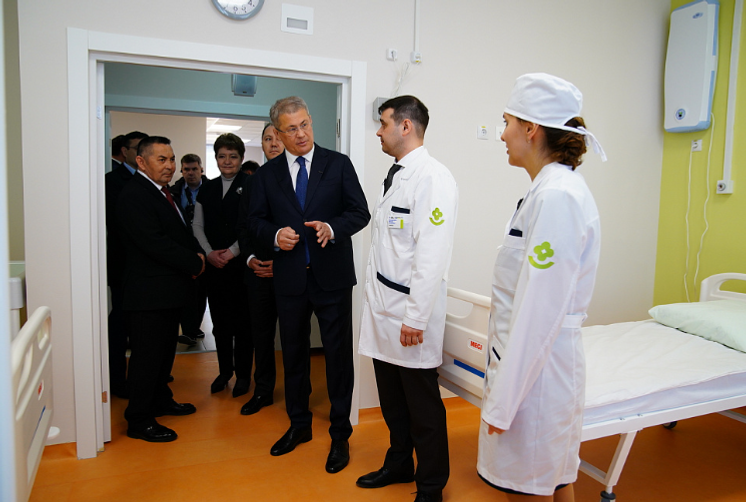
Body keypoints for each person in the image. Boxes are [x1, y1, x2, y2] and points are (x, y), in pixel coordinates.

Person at [478, 73, 605, 501]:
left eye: (507, 122)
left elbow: (539, 310)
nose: (502, 134)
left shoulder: (557, 197)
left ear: (531, 128)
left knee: (530, 484)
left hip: (536, 379)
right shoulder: (548, 191)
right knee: (553, 479)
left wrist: (504, 401)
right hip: (536, 370)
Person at [248, 96, 370, 473]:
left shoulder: (338, 164)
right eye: (291, 129)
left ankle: (340, 434)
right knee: (294, 355)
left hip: (332, 278)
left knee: (337, 357)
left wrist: (332, 228)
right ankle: (299, 425)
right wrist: (274, 235)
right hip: (289, 279)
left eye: (304, 125)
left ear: (311, 122)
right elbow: (253, 222)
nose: (300, 134)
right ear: (277, 134)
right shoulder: (267, 175)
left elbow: (360, 212)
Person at [356, 96, 458, 502]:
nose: (378, 132)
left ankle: (431, 486)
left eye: (383, 124)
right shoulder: (397, 175)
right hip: (385, 312)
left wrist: (415, 317)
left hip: (408, 317)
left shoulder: (433, 178)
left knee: (423, 408)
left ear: (405, 126)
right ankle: (399, 463)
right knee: (393, 402)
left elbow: (431, 256)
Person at [117, 136, 205, 442]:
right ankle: (139, 419)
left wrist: (198, 253)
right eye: (162, 160)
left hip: (167, 292)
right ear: (141, 162)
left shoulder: (163, 192)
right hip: (147, 294)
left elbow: (180, 233)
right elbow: (154, 243)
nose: (169, 166)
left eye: (171, 159)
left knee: (164, 354)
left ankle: (160, 400)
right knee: (146, 358)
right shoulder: (134, 195)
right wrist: (195, 262)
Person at [193, 133, 253, 397]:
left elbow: (252, 225)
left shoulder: (251, 185)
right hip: (214, 268)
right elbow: (197, 225)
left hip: (241, 267)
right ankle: (224, 371)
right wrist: (209, 254)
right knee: (220, 325)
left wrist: (231, 252)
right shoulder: (207, 188)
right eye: (222, 156)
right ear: (215, 158)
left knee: (243, 326)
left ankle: (243, 376)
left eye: (233, 156)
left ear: (241, 158)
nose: (227, 161)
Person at [236, 123, 285, 416]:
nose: (273, 143)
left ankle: (298, 394)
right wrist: (250, 257)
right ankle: (263, 391)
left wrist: (282, 265)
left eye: (278, 137)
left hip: (289, 273)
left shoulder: (300, 180)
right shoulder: (252, 183)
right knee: (262, 337)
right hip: (257, 273)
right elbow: (244, 227)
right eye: (267, 138)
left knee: (293, 337)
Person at [105, 130, 148, 399]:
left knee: (143, 329)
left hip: (148, 271)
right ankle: (118, 380)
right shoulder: (111, 181)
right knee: (121, 325)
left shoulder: (152, 181)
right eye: (138, 149)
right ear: (125, 152)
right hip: (124, 267)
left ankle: (144, 377)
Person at [170, 154, 209, 346]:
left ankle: (193, 328)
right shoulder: (174, 192)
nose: (191, 173)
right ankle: (189, 330)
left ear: (201, 169)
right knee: (187, 289)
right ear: (182, 171)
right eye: (186, 169)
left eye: (194, 169)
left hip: (207, 245)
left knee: (202, 291)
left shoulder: (211, 189)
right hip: (185, 247)